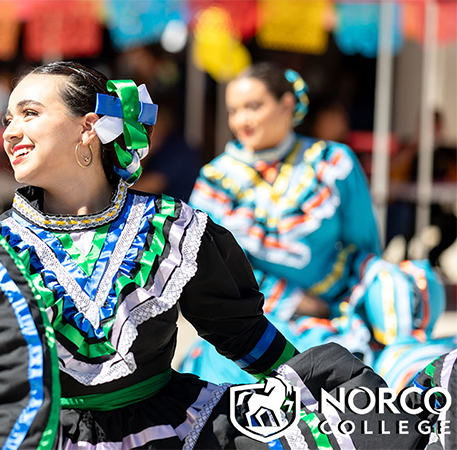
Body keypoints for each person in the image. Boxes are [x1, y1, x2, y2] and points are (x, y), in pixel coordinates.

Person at [0, 61, 437, 449]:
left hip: (172, 430)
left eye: (29, 113)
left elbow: (243, 334)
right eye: (8, 119)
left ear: (88, 127)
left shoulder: (171, 227)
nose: (10, 132)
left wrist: (318, 407)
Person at [180, 62, 449, 387]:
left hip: (340, 302)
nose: (242, 121)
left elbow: (364, 246)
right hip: (260, 315)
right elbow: (213, 269)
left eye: (253, 106)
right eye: (233, 110)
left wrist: (352, 299)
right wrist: (295, 301)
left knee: (405, 290)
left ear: (287, 105)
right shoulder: (216, 180)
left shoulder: (333, 162)